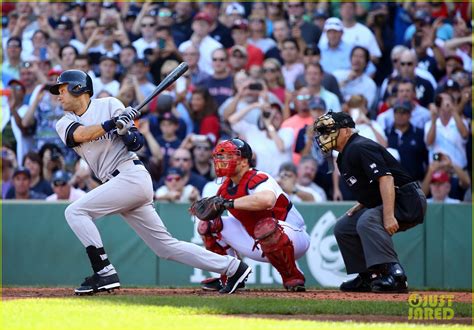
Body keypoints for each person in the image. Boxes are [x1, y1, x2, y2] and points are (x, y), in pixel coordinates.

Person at [49, 69, 251, 295]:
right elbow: (82, 135)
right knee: (164, 247)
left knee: (75, 212)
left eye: (63, 89)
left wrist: (125, 130)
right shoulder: (64, 122)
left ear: (79, 89)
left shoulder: (109, 104)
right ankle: (233, 267)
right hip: (119, 184)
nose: (59, 95)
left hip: (131, 177)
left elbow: (136, 144)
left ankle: (104, 271)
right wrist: (111, 124)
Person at [313, 111, 426, 293]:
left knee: (367, 221)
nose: (324, 136)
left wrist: (388, 216)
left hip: (408, 199)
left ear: (346, 131)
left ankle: (395, 275)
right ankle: (368, 276)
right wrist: (364, 202)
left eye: (329, 130)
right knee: (344, 227)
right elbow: (373, 185)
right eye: (323, 132)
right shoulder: (343, 156)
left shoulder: (359, 146)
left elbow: (386, 179)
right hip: (390, 199)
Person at [197, 138, 310, 292]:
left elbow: (267, 200)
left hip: (294, 237)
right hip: (257, 240)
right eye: (220, 157)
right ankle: (230, 275)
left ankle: (292, 277)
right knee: (208, 226)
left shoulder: (260, 177)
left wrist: (229, 203)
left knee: (266, 227)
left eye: (228, 156)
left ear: (244, 161)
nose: (222, 161)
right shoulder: (224, 189)